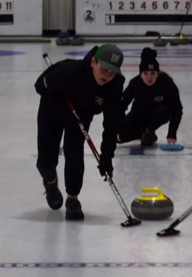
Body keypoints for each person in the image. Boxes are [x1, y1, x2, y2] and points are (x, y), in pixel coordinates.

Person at [34, 44, 125, 220]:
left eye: (112, 72)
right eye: (104, 69)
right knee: (46, 161)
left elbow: (112, 123)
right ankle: (50, 183)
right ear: (93, 62)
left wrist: (107, 157)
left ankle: (72, 199)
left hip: (80, 117)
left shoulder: (114, 86)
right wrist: (56, 94)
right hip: (52, 110)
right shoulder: (68, 71)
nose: (107, 75)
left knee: (74, 153)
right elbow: (40, 85)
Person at [117, 47, 183, 147]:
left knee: (162, 111)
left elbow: (177, 109)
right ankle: (143, 134)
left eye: (153, 73)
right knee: (118, 138)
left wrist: (172, 134)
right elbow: (121, 105)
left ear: (158, 73)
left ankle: (149, 131)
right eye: (145, 73)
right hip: (138, 114)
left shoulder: (167, 83)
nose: (149, 77)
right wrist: (117, 127)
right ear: (140, 74)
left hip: (158, 114)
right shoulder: (135, 84)